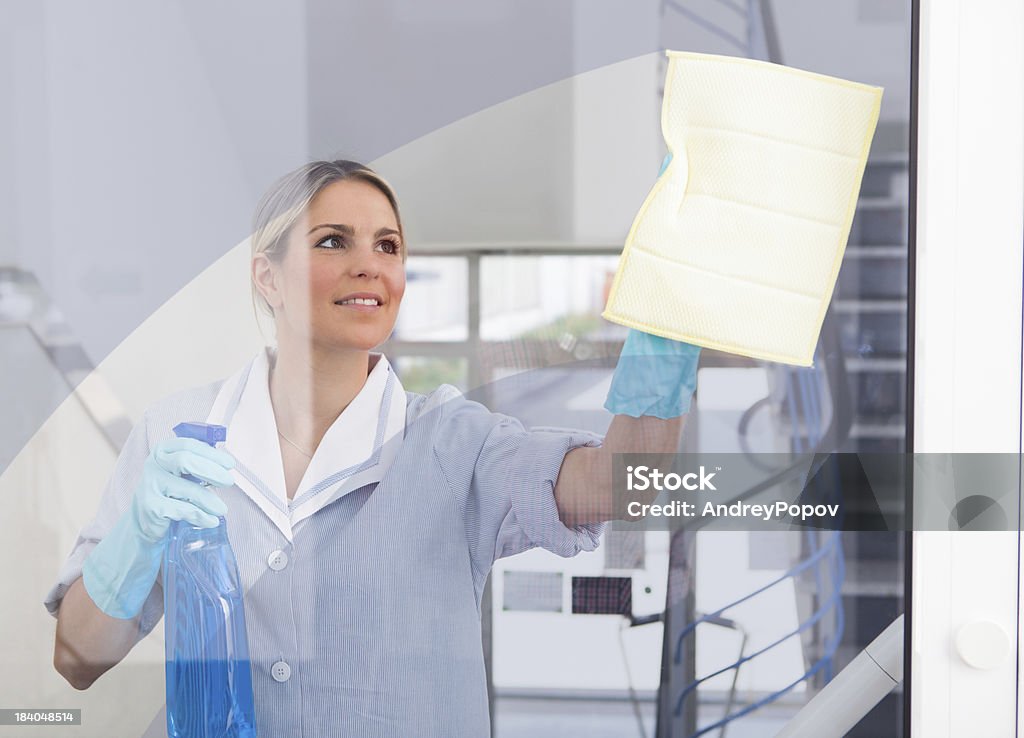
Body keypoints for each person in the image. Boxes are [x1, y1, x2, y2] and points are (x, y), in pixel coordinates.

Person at [46, 160, 700, 736]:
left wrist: (671, 320)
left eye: (388, 246)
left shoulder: (451, 442)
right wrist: (134, 539)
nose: (370, 264)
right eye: (333, 240)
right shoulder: (178, 436)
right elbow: (78, 660)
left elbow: (618, 485)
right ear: (266, 278)